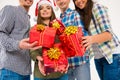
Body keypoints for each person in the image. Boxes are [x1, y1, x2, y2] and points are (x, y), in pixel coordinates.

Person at [73, 0, 120, 80]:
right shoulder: (80, 14)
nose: (79, 1)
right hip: (98, 57)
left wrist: (91, 39)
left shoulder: (97, 8)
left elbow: (108, 35)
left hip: (111, 55)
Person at [0, 0, 40, 80]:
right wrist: (18, 44)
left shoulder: (28, 18)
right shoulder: (10, 9)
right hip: (11, 70)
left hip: (26, 72)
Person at [30, 0, 68, 80]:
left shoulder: (59, 27)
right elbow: (32, 50)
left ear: (52, 11)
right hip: (42, 74)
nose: (45, 10)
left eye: (48, 8)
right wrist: (38, 58)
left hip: (60, 73)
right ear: (39, 12)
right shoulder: (34, 29)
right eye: (41, 8)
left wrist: (66, 60)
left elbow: (65, 46)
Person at [55, 0, 91, 80]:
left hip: (80, 62)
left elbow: (82, 35)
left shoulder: (75, 14)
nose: (61, 1)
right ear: (55, 2)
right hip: (66, 65)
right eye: (58, 0)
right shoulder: (57, 21)